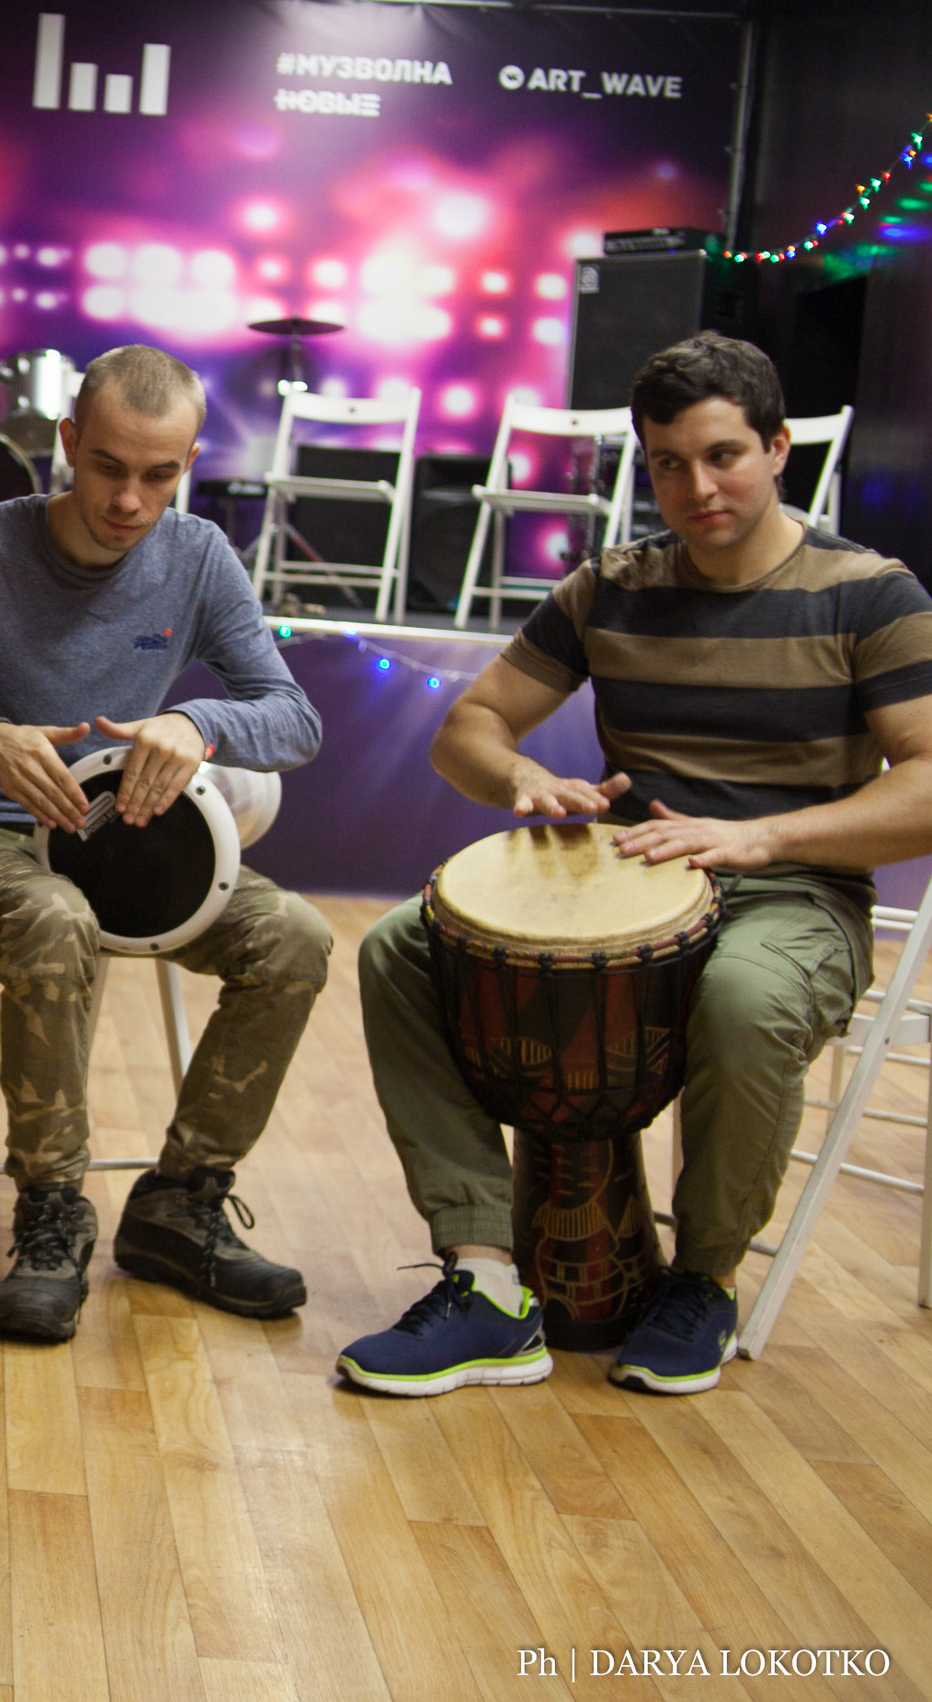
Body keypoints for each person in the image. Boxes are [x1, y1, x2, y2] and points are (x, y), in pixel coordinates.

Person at [339, 331, 932, 1399]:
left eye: (721, 456)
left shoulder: (868, 594)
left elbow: (928, 782)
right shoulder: (608, 589)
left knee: (747, 996)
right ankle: (483, 1281)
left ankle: (700, 1280)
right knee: (396, 950)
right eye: (666, 462)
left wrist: (763, 837)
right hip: (633, 880)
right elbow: (466, 726)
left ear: (778, 447)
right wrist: (519, 777)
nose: (693, 487)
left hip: (792, 893)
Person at [0, 344, 327, 1344]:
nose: (129, 499)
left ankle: (178, 1203)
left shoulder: (195, 554)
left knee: (291, 935)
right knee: (53, 913)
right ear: (66, 442)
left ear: (189, 461)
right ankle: (51, 1213)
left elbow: (294, 720)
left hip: (131, 847)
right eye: (109, 466)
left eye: (160, 474)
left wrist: (200, 724)